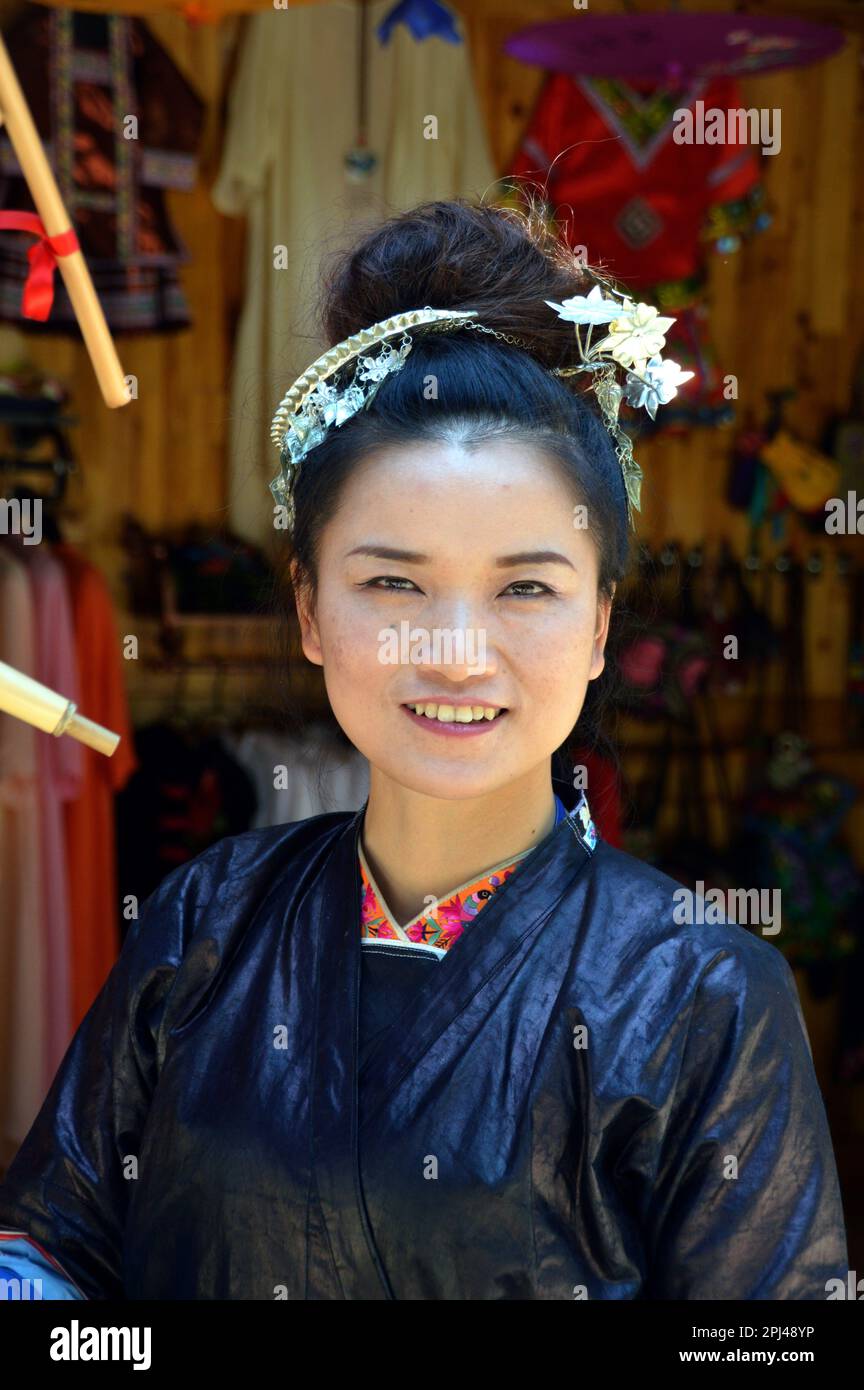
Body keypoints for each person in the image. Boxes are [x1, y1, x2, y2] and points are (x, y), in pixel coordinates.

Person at [0, 199, 848, 1300]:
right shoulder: (207, 917)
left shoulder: (704, 993)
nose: (454, 652)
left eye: (526, 588)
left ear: (598, 624)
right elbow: (56, 1240)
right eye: (392, 581)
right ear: (309, 609)